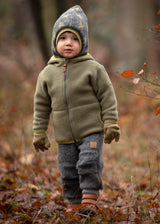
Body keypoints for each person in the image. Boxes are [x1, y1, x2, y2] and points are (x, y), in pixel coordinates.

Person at [33, 5, 120, 216]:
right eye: (63, 38)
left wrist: (110, 122)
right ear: (55, 42)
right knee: (68, 170)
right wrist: (39, 131)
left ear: (83, 42)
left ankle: (89, 201)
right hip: (64, 136)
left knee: (88, 161)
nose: (68, 43)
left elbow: (107, 97)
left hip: (91, 129)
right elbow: (41, 105)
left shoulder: (94, 69)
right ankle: (73, 204)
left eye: (74, 38)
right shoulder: (47, 74)